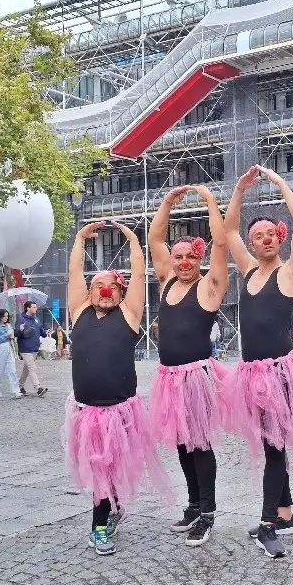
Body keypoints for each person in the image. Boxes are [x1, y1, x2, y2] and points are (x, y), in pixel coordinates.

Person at [223, 165, 293, 559]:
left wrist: (278, 182)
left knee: (273, 447)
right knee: (273, 446)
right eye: (257, 236)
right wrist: (239, 190)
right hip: (250, 374)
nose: (263, 240)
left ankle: (268, 524)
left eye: (269, 234)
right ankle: (286, 513)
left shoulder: (289, 273)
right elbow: (230, 231)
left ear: (278, 239)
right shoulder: (248, 271)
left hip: (280, 375)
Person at [65, 220, 172, 556]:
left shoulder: (129, 315)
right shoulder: (79, 311)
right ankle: (107, 514)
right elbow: (74, 274)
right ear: (89, 291)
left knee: (109, 466)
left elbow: (139, 276)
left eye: (112, 285)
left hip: (120, 411)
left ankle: (101, 523)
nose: (105, 289)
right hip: (86, 412)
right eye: (98, 285)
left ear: (122, 291)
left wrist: (131, 238)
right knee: (100, 467)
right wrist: (81, 238)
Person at [147, 184, 230, 547]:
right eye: (178, 256)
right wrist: (168, 201)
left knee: (199, 444)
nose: (183, 262)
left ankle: (208, 513)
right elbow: (155, 238)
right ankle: (194, 505)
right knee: (181, 444)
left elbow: (223, 243)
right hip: (168, 378)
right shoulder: (166, 283)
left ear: (200, 260)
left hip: (197, 376)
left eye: (190, 258)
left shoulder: (209, 287)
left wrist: (209, 200)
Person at [15, 302, 48, 397]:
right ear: (28, 308)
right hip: (25, 348)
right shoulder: (21, 318)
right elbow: (16, 333)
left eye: (36, 307)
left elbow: (42, 332)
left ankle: (19, 386)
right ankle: (38, 388)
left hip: (35, 348)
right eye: (33, 307)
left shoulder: (37, 319)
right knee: (32, 368)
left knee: (27, 369)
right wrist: (20, 329)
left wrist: (46, 332)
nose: (36, 308)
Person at [0, 310, 23, 400]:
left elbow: (12, 336)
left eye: (7, 316)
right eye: (4, 316)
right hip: (1, 348)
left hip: (9, 347)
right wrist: (6, 335)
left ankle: (15, 391)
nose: (6, 318)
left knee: (12, 370)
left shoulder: (9, 326)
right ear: (0, 317)